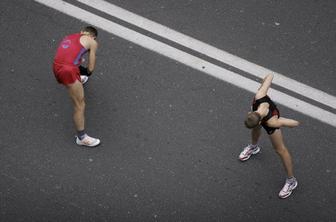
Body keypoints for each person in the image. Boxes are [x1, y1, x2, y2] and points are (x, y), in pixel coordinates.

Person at [239, 73, 299, 199]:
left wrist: (284, 121)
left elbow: (293, 124)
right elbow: (270, 75)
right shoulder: (259, 95)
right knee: (255, 129)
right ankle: (253, 147)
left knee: (280, 150)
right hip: (261, 118)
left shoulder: (272, 122)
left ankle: (291, 181)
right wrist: (262, 84)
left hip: (272, 120)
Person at [52, 26, 100, 147]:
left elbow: (68, 55)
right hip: (68, 71)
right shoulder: (92, 42)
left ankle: (77, 80)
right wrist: (90, 51)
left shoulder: (70, 37)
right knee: (80, 105)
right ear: (93, 36)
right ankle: (81, 138)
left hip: (56, 66)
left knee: (75, 61)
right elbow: (90, 69)